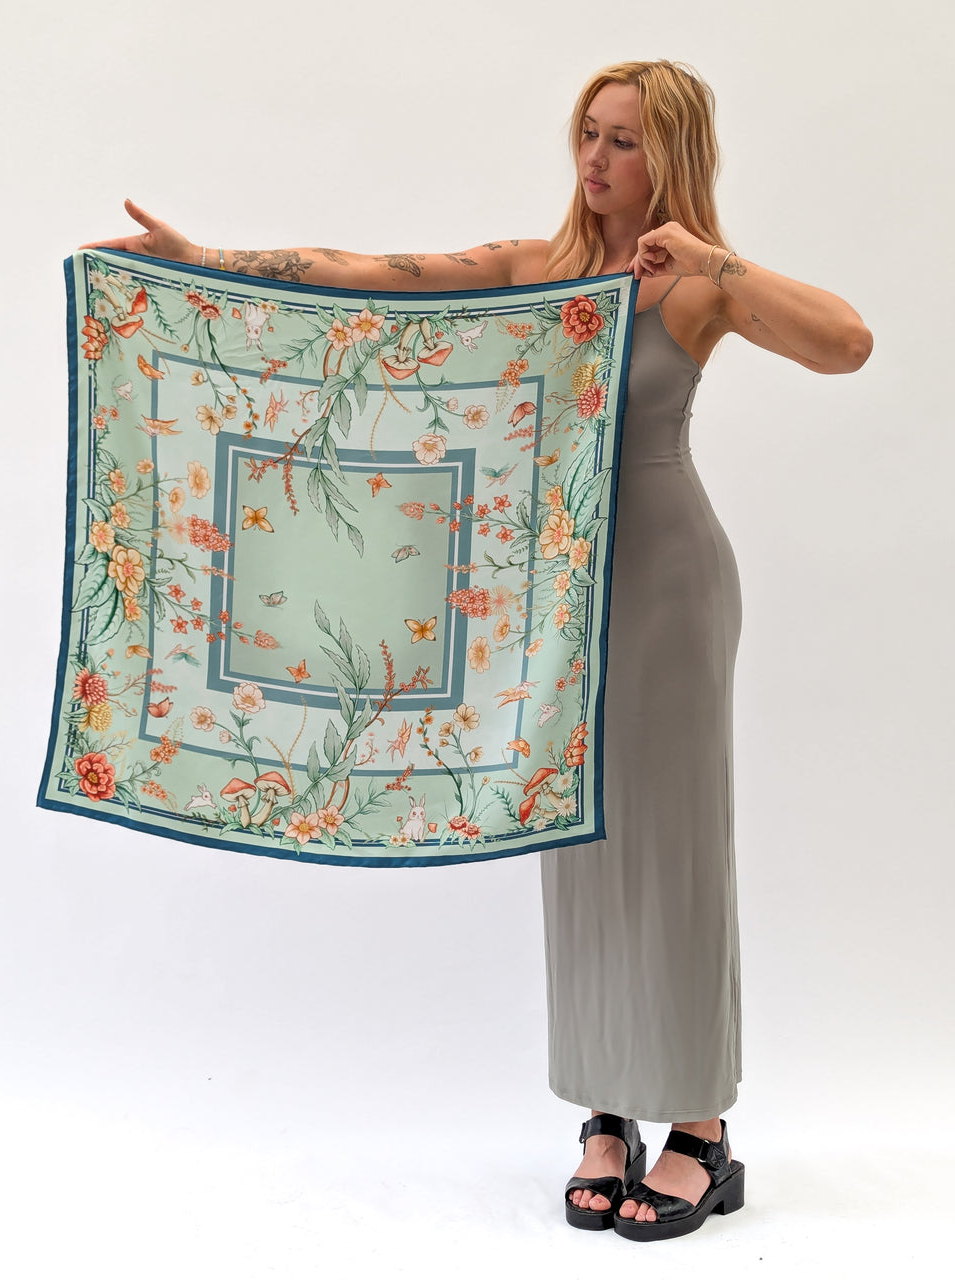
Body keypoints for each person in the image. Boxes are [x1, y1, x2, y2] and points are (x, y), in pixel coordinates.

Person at [82, 59, 871, 1242]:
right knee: (574, 832)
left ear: (670, 155)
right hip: (552, 594)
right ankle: (606, 1109)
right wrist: (204, 260)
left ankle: (701, 1128)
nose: (595, 158)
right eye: (587, 133)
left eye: (623, 140)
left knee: (672, 839)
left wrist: (713, 260)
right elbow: (366, 275)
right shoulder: (533, 270)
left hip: (664, 583)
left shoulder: (693, 287)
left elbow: (847, 342)